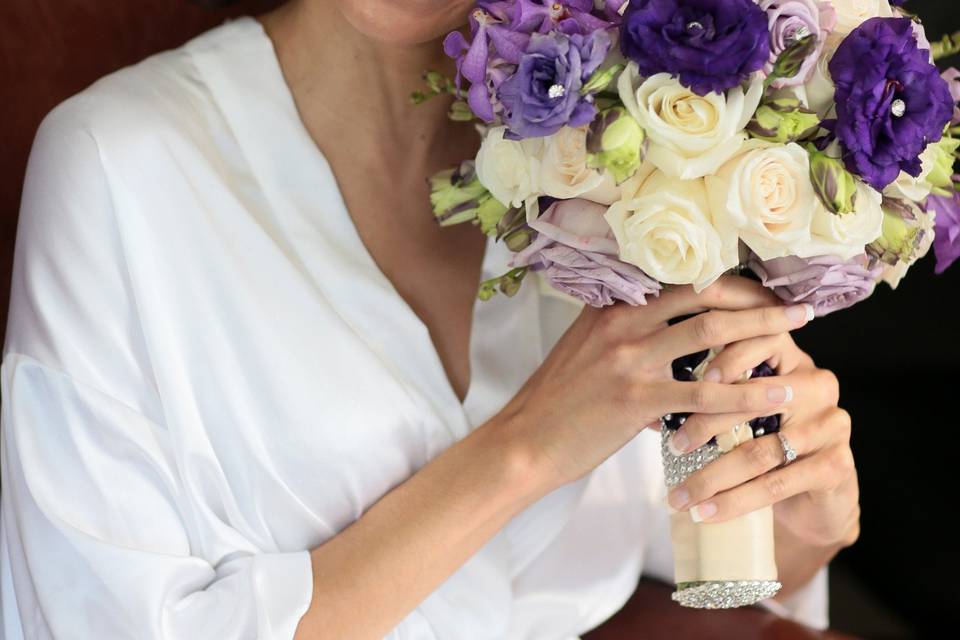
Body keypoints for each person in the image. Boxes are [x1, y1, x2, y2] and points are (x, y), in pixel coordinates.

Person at [0, 1, 861, 638]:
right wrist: (524, 450)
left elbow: (693, 572)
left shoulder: (627, 158)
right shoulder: (115, 163)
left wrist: (806, 525)